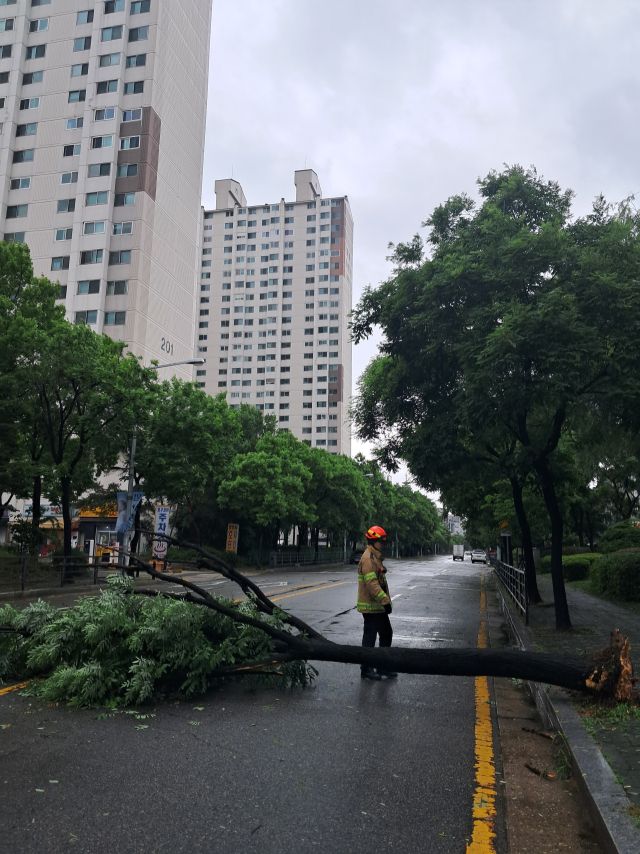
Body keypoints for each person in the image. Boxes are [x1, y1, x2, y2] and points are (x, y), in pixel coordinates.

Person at [356, 525, 398, 681]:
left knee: (386, 634)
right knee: (370, 637)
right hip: (371, 606)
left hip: (377, 607)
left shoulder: (375, 557)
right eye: (381, 541)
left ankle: (382, 666)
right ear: (373, 541)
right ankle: (366, 669)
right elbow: (372, 584)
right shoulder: (368, 559)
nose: (383, 544)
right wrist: (385, 601)